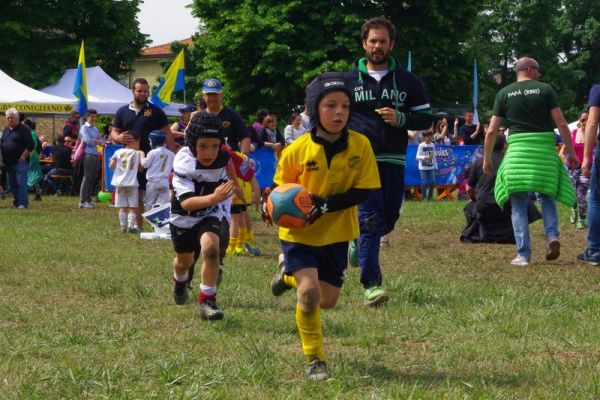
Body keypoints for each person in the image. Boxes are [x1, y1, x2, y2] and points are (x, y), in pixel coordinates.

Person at [267, 72, 380, 380]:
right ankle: (314, 358)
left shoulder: (361, 145)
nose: (339, 112)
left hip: (337, 234)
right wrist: (273, 208)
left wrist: (325, 204)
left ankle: (286, 275)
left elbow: (365, 189)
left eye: (344, 106)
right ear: (315, 109)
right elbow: (279, 193)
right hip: (299, 235)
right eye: (330, 105)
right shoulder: (296, 151)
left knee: (327, 300)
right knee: (309, 293)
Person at [345, 16, 433, 306]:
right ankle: (371, 284)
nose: (377, 46)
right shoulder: (347, 81)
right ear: (364, 44)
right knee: (370, 220)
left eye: (383, 41)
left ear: (391, 44)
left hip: (393, 160)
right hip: (360, 161)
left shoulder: (409, 82)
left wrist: (402, 119)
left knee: (389, 218)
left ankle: (358, 245)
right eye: (373, 41)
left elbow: (426, 118)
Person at [483, 57, 578, 266]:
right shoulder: (545, 90)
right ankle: (552, 236)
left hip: (518, 154)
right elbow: (561, 123)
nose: (540, 74)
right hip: (543, 153)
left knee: (518, 204)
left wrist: (487, 159)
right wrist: (570, 152)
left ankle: (523, 255)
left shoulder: (503, 93)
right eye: (538, 70)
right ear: (528, 69)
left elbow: (491, 130)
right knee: (547, 196)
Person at [170, 112, 243, 320]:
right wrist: (214, 197)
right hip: (184, 216)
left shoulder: (223, 155)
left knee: (211, 250)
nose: (209, 152)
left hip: (210, 213)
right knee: (183, 262)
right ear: (192, 145)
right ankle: (180, 280)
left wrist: (235, 186)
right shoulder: (184, 162)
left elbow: (228, 165)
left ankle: (207, 301)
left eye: (214, 145)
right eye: (203, 146)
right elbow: (186, 203)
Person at [111, 77, 172, 229]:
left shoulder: (156, 111)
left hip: (152, 160)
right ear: (133, 91)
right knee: (136, 192)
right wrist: (118, 137)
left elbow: (168, 133)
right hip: (131, 160)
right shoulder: (122, 111)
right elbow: (114, 131)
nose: (143, 94)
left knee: (157, 194)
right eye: (139, 91)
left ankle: (158, 227)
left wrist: (173, 156)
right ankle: (137, 226)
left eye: (145, 91)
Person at [578, 84, 600, 265]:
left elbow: (592, 123)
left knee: (596, 199)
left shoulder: (597, 90)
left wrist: (586, 157)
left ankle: (594, 250)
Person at [201, 78, 251, 154]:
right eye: (209, 94)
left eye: (215, 94)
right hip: (206, 161)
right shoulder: (199, 118)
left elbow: (244, 137)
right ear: (203, 96)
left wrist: (243, 156)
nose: (212, 98)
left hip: (230, 162)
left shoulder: (233, 114)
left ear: (222, 94)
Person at [109, 131, 145, 233]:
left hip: (119, 182)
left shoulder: (118, 152)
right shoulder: (137, 153)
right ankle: (131, 226)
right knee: (133, 206)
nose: (139, 145)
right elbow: (140, 169)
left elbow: (111, 165)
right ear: (133, 141)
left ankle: (123, 226)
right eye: (138, 142)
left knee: (122, 206)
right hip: (132, 182)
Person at [560, 111, 590, 229]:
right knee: (572, 193)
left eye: (587, 120)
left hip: (585, 169)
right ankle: (574, 209)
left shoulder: (592, 135)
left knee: (581, 195)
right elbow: (564, 147)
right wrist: (562, 153)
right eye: (583, 120)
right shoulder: (573, 133)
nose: (585, 122)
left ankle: (582, 221)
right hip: (572, 169)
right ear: (579, 120)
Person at [1, 108, 35, 209]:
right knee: (12, 185)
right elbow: (3, 143)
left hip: (20, 162)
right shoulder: (6, 130)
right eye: (7, 118)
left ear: (17, 118)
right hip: (8, 163)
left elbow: (31, 144)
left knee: (21, 183)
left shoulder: (24, 129)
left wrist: (23, 156)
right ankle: (17, 202)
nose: (9, 120)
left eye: (11, 117)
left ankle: (23, 204)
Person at [142, 130, 175, 210]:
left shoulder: (152, 152)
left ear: (154, 141)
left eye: (150, 141)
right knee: (163, 205)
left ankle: (150, 219)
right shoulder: (171, 154)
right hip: (165, 182)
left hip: (153, 182)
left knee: (149, 203)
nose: (150, 143)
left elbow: (144, 164)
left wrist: (142, 156)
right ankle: (161, 221)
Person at [78, 109, 103, 209]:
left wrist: (95, 141)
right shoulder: (84, 128)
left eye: (94, 117)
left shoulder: (95, 129)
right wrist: (96, 141)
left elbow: (101, 141)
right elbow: (88, 142)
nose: (93, 118)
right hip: (88, 154)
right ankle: (82, 201)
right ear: (87, 117)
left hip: (95, 155)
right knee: (87, 177)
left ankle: (88, 200)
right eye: (91, 117)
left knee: (92, 178)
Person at [23, 119, 43, 201]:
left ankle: (36, 194)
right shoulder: (30, 133)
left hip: (32, 156)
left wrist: (28, 155)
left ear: (27, 125)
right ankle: (38, 194)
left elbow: (33, 145)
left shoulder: (32, 133)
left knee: (32, 175)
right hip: (31, 155)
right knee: (33, 175)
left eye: (24, 125)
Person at [416, 130, 437, 201]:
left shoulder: (432, 145)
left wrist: (436, 167)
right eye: (428, 136)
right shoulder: (421, 145)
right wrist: (425, 157)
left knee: (433, 182)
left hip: (431, 167)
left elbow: (434, 157)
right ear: (424, 137)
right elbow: (417, 156)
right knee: (424, 182)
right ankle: (424, 198)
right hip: (422, 167)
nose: (430, 137)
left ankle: (430, 196)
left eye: (431, 136)